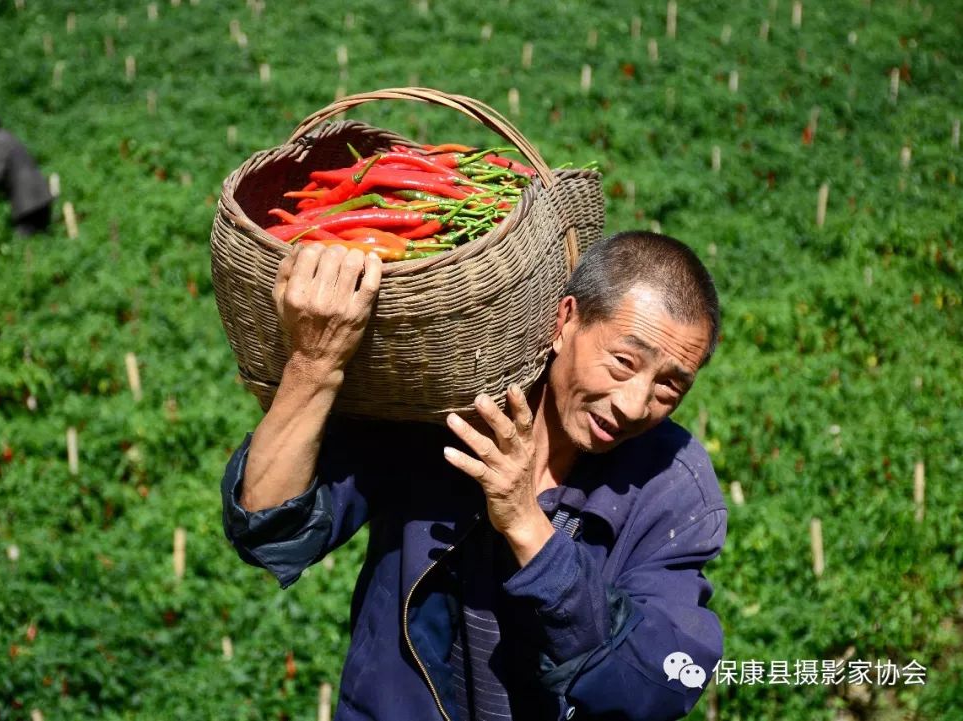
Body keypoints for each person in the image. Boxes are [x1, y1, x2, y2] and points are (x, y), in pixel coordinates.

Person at [221, 231, 727, 721]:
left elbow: (658, 682)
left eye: (669, 387)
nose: (633, 405)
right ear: (566, 320)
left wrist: (528, 527)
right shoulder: (444, 408)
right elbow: (270, 527)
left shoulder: (672, 484)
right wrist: (314, 363)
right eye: (622, 363)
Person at [0, 108, 53, 236]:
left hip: (26, 201)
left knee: (21, 242)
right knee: (43, 236)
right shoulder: (5, 134)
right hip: (42, 195)